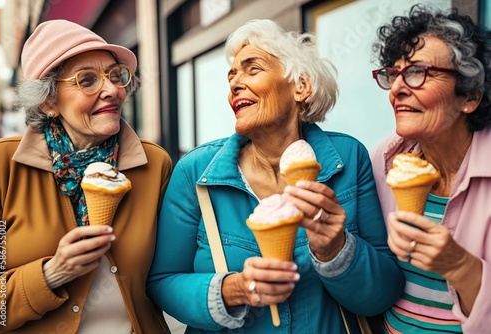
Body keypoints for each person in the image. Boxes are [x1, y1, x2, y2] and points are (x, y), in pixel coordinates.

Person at [147, 19, 403, 333]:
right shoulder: (194, 172)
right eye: (233, 74)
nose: (235, 83)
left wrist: (335, 249)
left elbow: (383, 293)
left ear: (301, 87)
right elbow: (162, 282)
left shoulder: (349, 158)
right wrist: (234, 289)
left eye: (252, 69)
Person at [0, 19, 172, 333]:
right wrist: (51, 273)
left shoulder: (155, 164)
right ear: (49, 101)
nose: (112, 90)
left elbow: (170, 276)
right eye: (87, 80)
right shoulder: (0, 165)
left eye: (116, 76)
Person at [369, 4, 491, 333]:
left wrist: (459, 265)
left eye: (417, 71)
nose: (396, 89)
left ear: (470, 96)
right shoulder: (384, 157)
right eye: (393, 75)